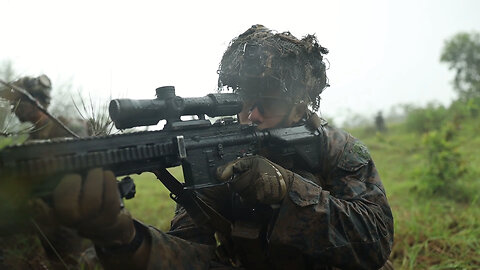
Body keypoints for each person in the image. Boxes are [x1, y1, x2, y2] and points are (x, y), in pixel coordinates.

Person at [49, 25, 394, 269]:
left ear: (300, 108)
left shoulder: (335, 148)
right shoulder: (218, 152)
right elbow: (191, 255)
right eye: (242, 102)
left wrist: (289, 191)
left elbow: (376, 242)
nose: (251, 115)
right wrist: (124, 237)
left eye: (268, 105)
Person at [0, 75, 96, 269]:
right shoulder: (31, 141)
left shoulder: (70, 128)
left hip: (73, 218)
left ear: (35, 102)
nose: (14, 109)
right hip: (42, 215)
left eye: (18, 103)